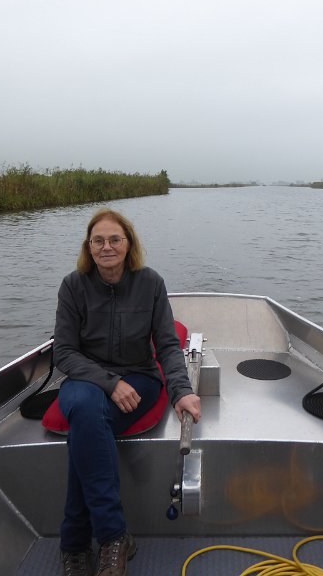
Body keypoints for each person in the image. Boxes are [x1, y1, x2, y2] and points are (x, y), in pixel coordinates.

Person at [53, 208, 202, 576]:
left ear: (128, 243)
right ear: (89, 247)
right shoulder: (73, 285)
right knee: (87, 411)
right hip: (85, 381)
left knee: (85, 427)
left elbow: (168, 345)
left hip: (140, 380)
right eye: (98, 240)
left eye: (114, 239)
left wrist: (180, 391)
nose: (107, 247)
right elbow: (64, 352)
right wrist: (108, 382)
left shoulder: (150, 283)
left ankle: (74, 544)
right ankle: (114, 537)